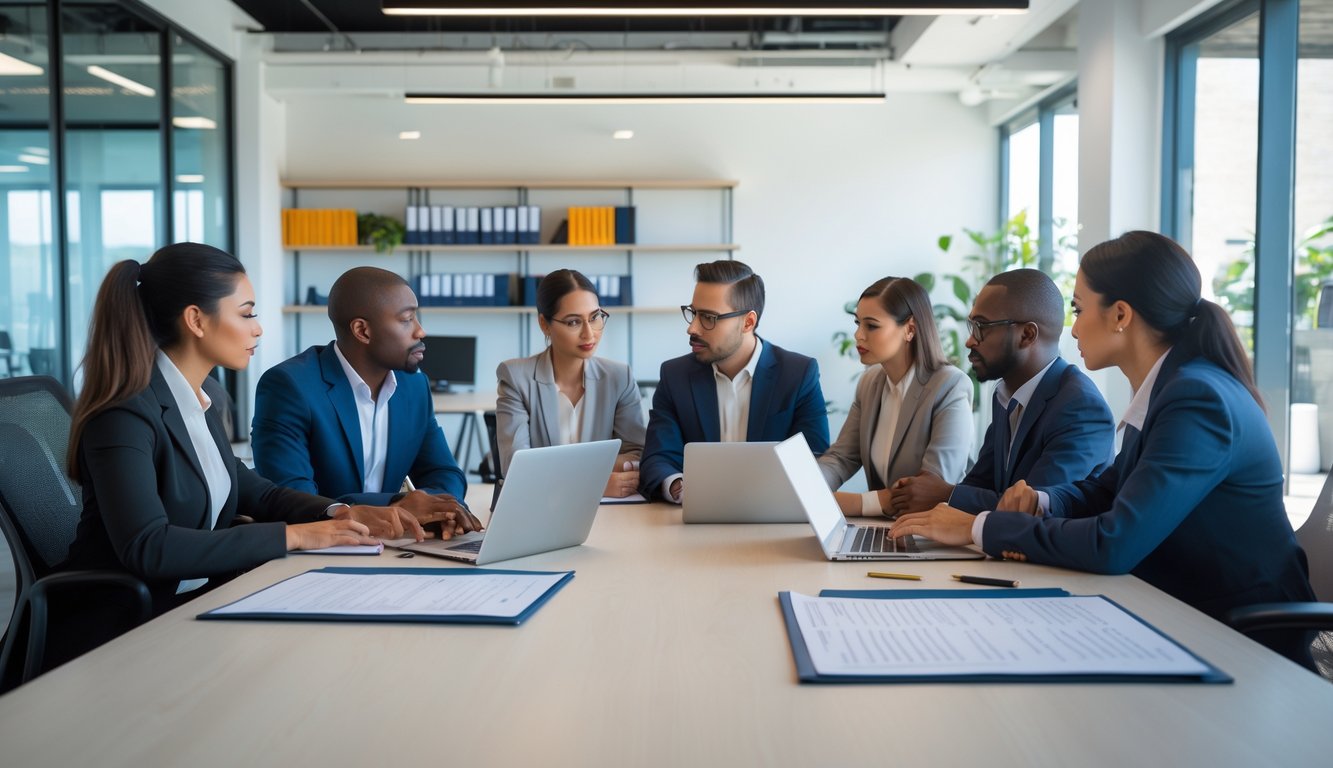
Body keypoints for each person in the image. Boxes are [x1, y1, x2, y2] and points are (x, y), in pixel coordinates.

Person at [891, 231, 1317, 667]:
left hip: (1240, 638)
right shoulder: (1170, 388)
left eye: (1078, 309)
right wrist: (1042, 500)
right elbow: (1107, 489)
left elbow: (1114, 542)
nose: (1072, 327)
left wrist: (977, 527)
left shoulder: (1196, 399)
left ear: (1120, 315)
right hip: (1181, 610)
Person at [58, 244, 420, 658]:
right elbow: (149, 546)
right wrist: (297, 537)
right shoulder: (124, 413)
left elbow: (258, 493)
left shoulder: (202, 396)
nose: (258, 329)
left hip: (188, 608)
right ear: (196, 320)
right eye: (246, 313)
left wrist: (339, 513)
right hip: (115, 632)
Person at [252, 267, 481, 538]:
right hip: (319, 551)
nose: (421, 331)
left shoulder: (414, 387)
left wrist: (438, 509)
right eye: (407, 320)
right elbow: (292, 498)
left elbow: (443, 471)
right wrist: (396, 505)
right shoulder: (290, 386)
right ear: (363, 330)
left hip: (391, 545)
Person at [890, 268, 1115, 514]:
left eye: (982, 326)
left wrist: (946, 493)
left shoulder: (1080, 407)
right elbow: (980, 483)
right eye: (971, 325)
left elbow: (1030, 507)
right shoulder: (1006, 395)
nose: (970, 341)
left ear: (1027, 335)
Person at [640, 260, 829, 503]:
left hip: (772, 517)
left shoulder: (798, 374)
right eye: (693, 313)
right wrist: (680, 487)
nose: (693, 328)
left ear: (748, 322)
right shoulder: (675, 375)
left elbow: (814, 458)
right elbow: (658, 458)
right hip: (693, 519)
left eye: (708, 317)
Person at [817, 276, 973, 518]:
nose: (858, 335)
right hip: (885, 531)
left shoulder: (950, 385)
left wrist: (858, 503)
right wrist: (807, 490)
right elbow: (841, 458)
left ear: (910, 329)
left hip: (931, 536)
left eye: (871, 325)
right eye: (858, 323)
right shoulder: (870, 382)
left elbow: (932, 488)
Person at [495, 270, 646, 497]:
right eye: (574, 322)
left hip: (609, 512)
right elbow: (517, 468)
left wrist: (555, 471)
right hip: (542, 510)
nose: (589, 334)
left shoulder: (619, 377)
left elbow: (637, 454)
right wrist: (595, 483)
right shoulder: (516, 377)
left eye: (595, 317)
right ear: (544, 324)